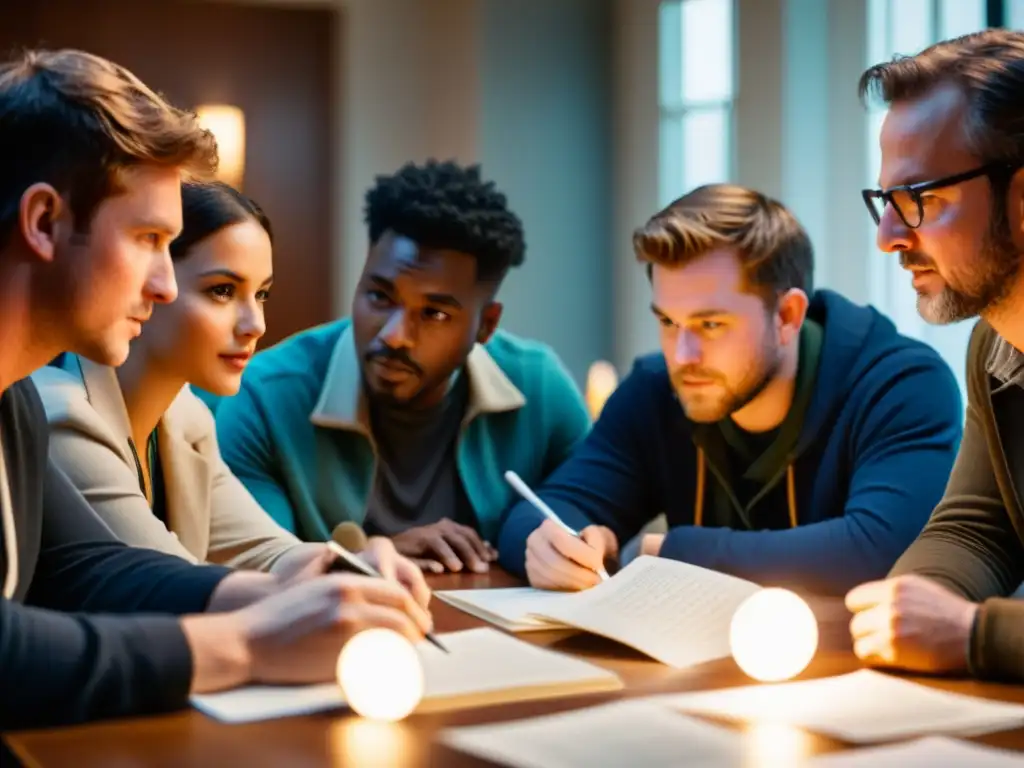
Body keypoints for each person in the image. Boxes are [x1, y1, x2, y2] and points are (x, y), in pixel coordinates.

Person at [0, 48, 430, 731]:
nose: (165, 285)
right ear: (45, 222)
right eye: (147, 239)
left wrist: (301, 586)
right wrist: (251, 641)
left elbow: (86, 565)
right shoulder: (49, 404)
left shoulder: (13, 399)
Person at [498, 183, 963, 596]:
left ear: (787, 317)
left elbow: (880, 550)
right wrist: (548, 544)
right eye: (667, 321)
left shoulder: (902, 386)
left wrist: (673, 550)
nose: (682, 355)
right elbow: (541, 510)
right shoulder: (657, 390)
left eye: (711, 324)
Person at [214, 160, 591, 574]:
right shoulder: (266, 396)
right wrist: (372, 557)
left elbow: (596, 515)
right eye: (379, 296)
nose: (394, 335)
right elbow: (256, 567)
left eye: (434, 314)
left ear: (486, 325)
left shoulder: (539, 387)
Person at [30, 181, 342, 575]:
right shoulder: (63, 412)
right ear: (151, 283)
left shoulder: (187, 417)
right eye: (223, 291)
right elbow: (176, 584)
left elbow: (270, 551)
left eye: (261, 294)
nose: (255, 325)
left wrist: (356, 565)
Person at [845, 29, 1024, 683]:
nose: (889, 238)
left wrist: (977, 634)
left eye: (920, 199)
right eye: (885, 203)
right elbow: (978, 528)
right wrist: (909, 607)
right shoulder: (999, 346)